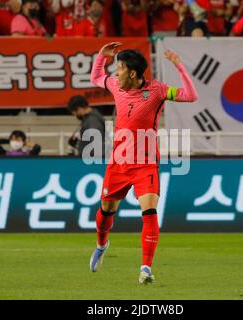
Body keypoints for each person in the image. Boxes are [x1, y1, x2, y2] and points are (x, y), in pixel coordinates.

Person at [89, 42, 198, 284]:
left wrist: (179, 66)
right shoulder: (116, 85)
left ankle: (146, 268)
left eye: (119, 68)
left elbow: (190, 95)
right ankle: (101, 244)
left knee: (149, 212)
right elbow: (96, 77)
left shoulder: (157, 91)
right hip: (118, 163)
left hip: (145, 165)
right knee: (106, 212)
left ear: (133, 74)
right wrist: (101, 56)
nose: (115, 73)